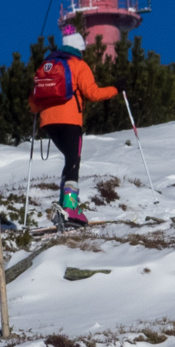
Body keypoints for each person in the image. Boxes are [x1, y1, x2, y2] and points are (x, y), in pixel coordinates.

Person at [30, 27, 117, 227]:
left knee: (69, 160)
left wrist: (38, 112)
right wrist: (116, 89)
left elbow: (34, 99)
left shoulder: (47, 64)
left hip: (48, 122)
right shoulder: (79, 65)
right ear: (79, 47)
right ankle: (70, 208)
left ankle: (65, 205)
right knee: (73, 161)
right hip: (70, 120)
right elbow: (93, 94)